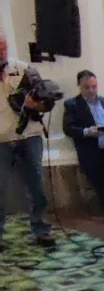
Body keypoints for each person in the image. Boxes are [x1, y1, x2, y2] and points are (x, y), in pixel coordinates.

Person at [0, 61, 55, 249]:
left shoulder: (24, 69)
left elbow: (46, 101)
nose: (2, 50)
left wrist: (37, 104)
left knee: (36, 185)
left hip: (29, 135)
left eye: (4, 47)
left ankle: (41, 229)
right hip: (1, 139)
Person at [63, 70, 104, 222]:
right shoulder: (72, 105)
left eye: (94, 86)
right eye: (87, 87)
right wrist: (87, 131)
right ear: (80, 86)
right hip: (94, 155)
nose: (91, 90)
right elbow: (68, 128)